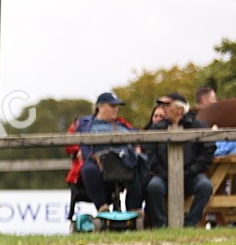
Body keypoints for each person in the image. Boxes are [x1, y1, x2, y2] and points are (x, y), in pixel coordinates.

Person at [145, 92, 216, 227]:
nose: (163, 108)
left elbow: (208, 151)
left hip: (191, 175)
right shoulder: (157, 128)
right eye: (162, 105)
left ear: (179, 109)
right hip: (164, 176)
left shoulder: (198, 126)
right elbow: (150, 153)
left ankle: (190, 223)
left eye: (167, 105)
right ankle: (160, 225)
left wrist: (191, 170)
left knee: (205, 186)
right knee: (154, 187)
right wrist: (165, 173)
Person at [69, 92, 138, 211]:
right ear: (99, 107)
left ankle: (134, 209)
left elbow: (138, 138)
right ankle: (102, 208)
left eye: (117, 106)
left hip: (123, 162)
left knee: (141, 164)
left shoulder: (123, 124)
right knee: (88, 169)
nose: (116, 109)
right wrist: (77, 149)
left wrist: (137, 148)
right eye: (112, 106)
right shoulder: (82, 124)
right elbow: (69, 141)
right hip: (96, 163)